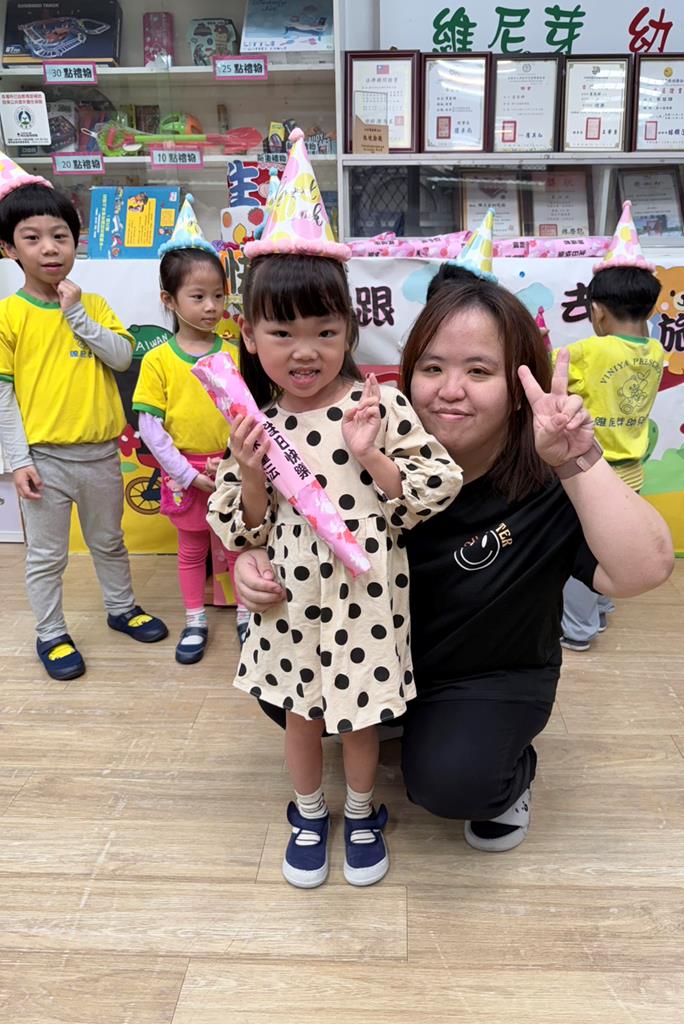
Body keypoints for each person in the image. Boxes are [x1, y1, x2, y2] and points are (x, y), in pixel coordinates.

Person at [234, 266, 674, 856]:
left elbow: (645, 570)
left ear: (518, 384)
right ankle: (401, 727)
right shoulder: (364, 447)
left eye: (479, 371)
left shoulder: (544, 480)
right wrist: (253, 561)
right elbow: (288, 524)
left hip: (487, 675)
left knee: (453, 781)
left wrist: (577, 459)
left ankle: (501, 769)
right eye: (432, 368)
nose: (450, 390)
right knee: (278, 690)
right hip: (380, 650)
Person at [206, 128, 462, 889]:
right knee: (301, 714)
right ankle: (308, 811)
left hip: (367, 597)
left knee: (361, 717)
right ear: (249, 335)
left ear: (349, 329)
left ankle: (360, 811)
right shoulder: (255, 423)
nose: (304, 350)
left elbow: (436, 486)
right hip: (290, 598)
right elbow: (244, 526)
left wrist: (373, 455)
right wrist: (249, 471)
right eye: (281, 332)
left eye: (324, 331)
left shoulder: (376, 405)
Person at [0, 155, 167, 682]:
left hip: (100, 455)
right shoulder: (9, 315)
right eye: (32, 238)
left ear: (76, 243)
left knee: (109, 541)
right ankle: (50, 633)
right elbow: (3, 396)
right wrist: (17, 460)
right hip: (44, 460)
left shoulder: (92, 303)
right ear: (9, 249)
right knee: (46, 556)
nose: (50, 248)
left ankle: (121, 608)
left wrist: (76, 314)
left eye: (61, 236)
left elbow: (121, 356)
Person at [132, 196, 249, 664]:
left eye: (218, 296)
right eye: (198, 297)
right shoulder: (159, 360)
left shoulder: (234, 353)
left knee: (237, 545)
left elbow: (247, 415)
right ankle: (195, 619)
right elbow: (150, 427)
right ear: (169, 300)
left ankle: (247, 616)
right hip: (186, 475)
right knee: (192, 548)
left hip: (232, 470)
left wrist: (234, 462)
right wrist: (187, 474)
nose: (212, 306)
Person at [557, 201, 664, 652]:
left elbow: (547, 377)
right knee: (611, 544)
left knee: (580, 552)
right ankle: (600, 612)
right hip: (632, 471)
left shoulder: (590, 350)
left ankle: (578, 629)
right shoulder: (655, 352)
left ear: (597, 311)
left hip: (591, 471)